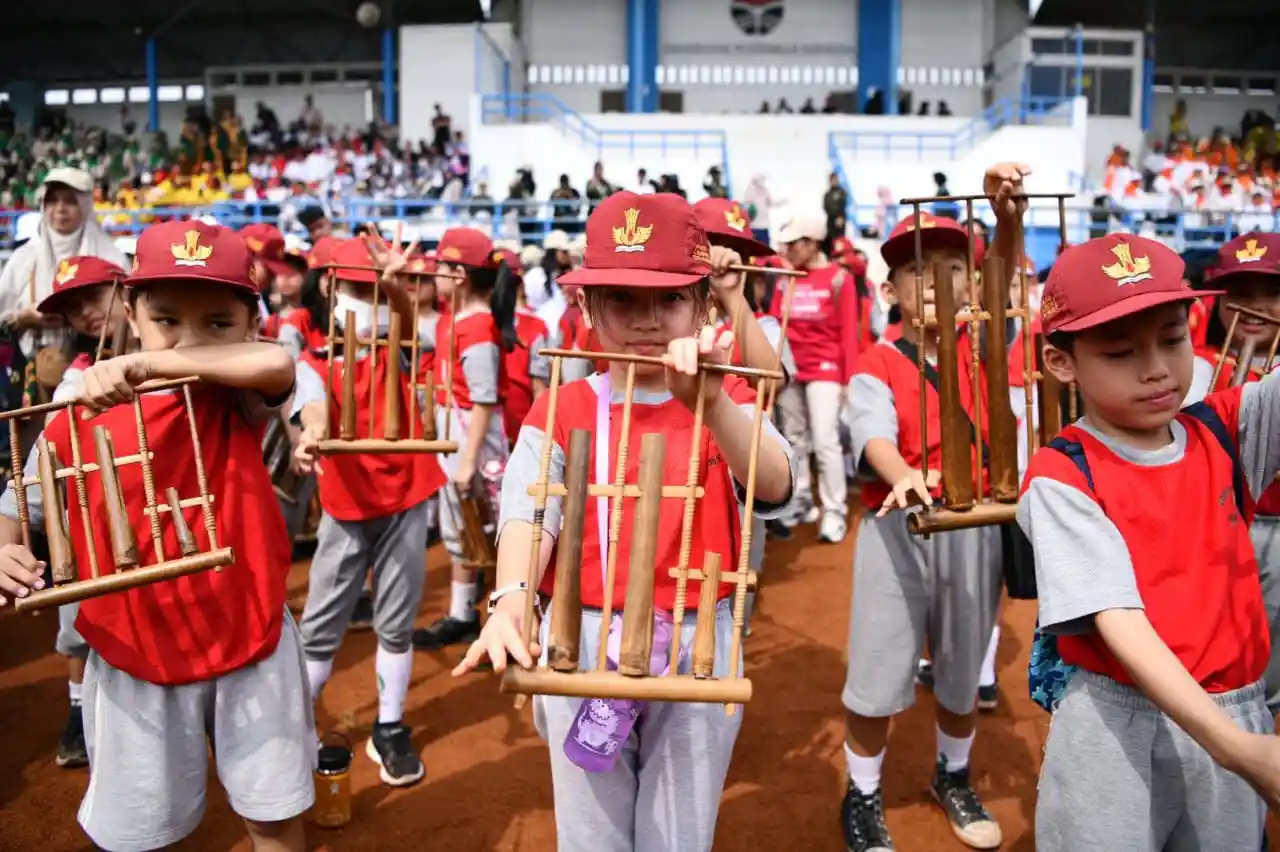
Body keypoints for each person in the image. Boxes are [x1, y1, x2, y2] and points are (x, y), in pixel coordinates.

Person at [453, 191, 796, 852]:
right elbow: (529, 512)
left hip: (697, 638)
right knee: (591, 832)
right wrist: (512, 599)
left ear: (703, 303)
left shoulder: (726, 392)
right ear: (586, 307)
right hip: (579, 633)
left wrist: (713, 404)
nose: (647, 321)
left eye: (668, 300)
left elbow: (776, 482)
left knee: (679, 833)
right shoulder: (563, 405)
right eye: (622, 300)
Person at [0, 219, 313, 851]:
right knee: (142, 832)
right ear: (131, 312)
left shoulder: (235, 399)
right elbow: (19, 503)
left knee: (272, 816)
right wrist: (5, 547)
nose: (189, 339)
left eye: (218, 323)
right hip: (133, 650)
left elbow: (277, 362)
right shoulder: (79, 413)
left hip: (248, 633)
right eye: (166, 319)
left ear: (247, 325)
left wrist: (151, 360)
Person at [1019, 230, 1280, 851]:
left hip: (1234, 705)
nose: (1157, 368)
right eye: (1119, 351)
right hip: (1115, 722)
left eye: (1172, 338)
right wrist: (1236, 748)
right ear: (1061, 361)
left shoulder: (1226, 429)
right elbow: (1121, 624)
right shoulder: (1062, 473)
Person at [842, 208, 1002, 851]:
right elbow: (871, 431)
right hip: (897, 526)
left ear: (973, 283)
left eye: (953, 266)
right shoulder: (877, 361)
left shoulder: (988, 352)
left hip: (975, 525)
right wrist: (902, 472)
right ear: (890, 289)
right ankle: (862, 792)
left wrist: (1008, 215)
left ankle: (951, 775)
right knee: (878, 672)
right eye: (917, 269)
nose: (937, 279)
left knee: (963, 670)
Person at [292, 236, 448, 787]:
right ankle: (294, 727)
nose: (368, 301)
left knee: (397, 621)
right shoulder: (311, 360)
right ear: (330, 288)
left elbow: (409, 323)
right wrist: (310, 436)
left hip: (407, 495)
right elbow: (311, 408)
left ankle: (390, 725)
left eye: (372, 291)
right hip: (346, 503)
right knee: (320, 624)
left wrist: (394, 286)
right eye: (358, 290)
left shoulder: (398, 347)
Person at [27, 256, 129, 769]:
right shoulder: (76, 378)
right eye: (73, 307)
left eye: (94, 296)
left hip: (151, 514)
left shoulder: (171, 354)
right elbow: (37, 473)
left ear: (125, 288)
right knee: (78, 626)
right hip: (89, 518)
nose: (85, 312)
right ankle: (76, 710)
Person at [1186, 231, 1280, 712]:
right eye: (1239, 293)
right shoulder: (1194, 367)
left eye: (1270, 292)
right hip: (1209, 527)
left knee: (1272, 655)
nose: (1254, 306)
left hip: (1275, 527)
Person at [411, 227, 516, 650]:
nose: (433, 274)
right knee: (463, 527)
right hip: (458, 431)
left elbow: (484, 401)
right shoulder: (455, 318)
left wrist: (469, 460)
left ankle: (505, 620)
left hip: (474, 436)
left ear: (459, 275)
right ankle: (462, 613)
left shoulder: (477, 326)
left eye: (440, 267)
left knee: (489, 529)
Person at [772, 210, 858, 543]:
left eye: (794, 243)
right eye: (786, 244)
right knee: (794, 439)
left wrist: (848, 380)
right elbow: (775, 323)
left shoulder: (839, 279)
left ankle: (834, 511)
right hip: (790, 370)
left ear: (813, 243)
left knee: (825, 441)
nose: (787, 250)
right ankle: (802, 501)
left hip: (826, 370)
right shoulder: (786, 278)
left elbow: (849, 333)